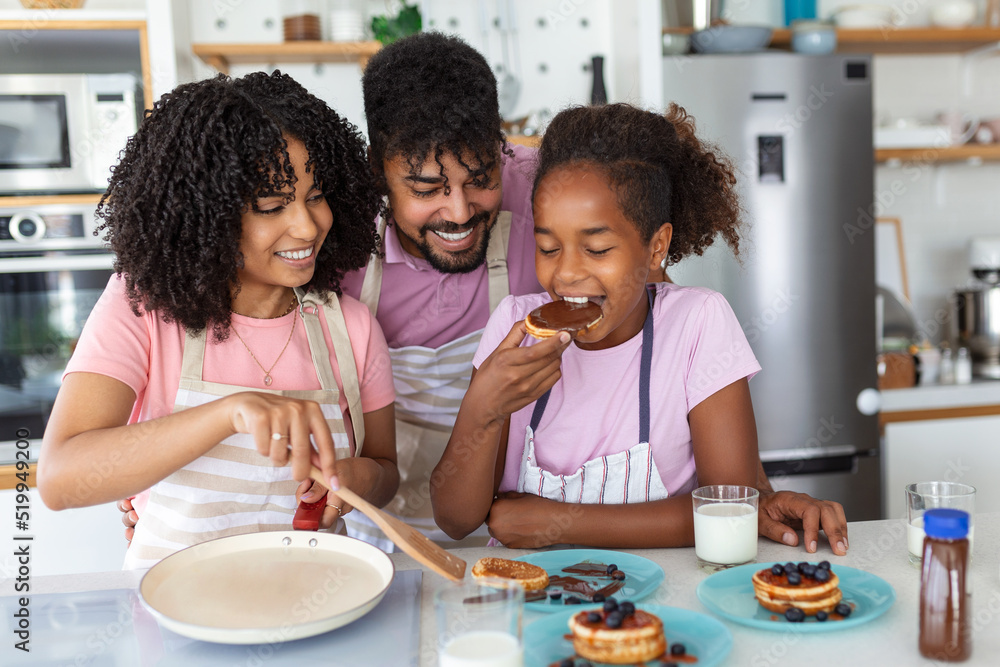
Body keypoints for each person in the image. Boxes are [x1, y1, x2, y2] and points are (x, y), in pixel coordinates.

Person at [121, 33, 850, 555]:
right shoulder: (325, 241)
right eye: (426, 188)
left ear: (503, 150)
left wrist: (751, 490)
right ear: (379, 174)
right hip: (407, 538)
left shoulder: (555, 183)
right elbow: (208, 283)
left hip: (536, 541)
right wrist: (142, 461)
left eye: (479, 177)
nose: (461, 208)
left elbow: (650, 304)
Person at [38, 71, 399, 569]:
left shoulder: (352, 328)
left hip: (310, 609)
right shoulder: (143, 307)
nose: (308, 224)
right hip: (172, 621)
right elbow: (59, 479)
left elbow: (386, 470)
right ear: (208, 212)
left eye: (315, 195)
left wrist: (358, 480)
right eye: (272, 205)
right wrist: (228, 412)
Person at [431, 102, 778, 548]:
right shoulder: (514, 326)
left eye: (596, 250)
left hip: (660, 607)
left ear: (656, 248)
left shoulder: (697, 324)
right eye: (549, 248)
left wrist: (559, 522)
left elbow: (731, 510)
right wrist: (484, 408)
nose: (567, 274)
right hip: (534, 604)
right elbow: (455, 520)